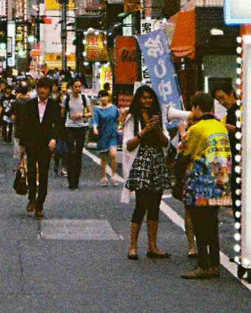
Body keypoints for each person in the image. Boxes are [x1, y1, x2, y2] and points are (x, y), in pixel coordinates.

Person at [178, 91, 231, 281]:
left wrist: (184, 131)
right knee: (212, 225)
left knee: (200, 225)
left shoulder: (197, 129)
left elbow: (183, 154)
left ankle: (203, 265)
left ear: (197, 108)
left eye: (192, 108)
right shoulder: (220, 126)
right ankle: (215, 265)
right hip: (219, 182)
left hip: (201, 183)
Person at [122, 85, 171, 260]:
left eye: (150, 97)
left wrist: (157, 129)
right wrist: (145, 130)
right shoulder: (132, 118)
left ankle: (153, 246)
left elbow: (166, 143)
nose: (147, 101)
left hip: (156, 162)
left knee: (155, 205)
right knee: (141, 204)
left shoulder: (158, 117)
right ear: (138, 99)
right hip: (141, 162)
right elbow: (128, 144)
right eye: (143, 97)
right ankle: (133, 246)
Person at [19, 77, 63, 218]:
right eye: (40, 87)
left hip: (46, 145)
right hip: (31, 143)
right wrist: (22, 144)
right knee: (31, 172)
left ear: (50, 90)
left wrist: (54, 139)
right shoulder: (29, 104)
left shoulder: (54, 106)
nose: (42, 90)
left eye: (45, 88)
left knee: (43, 175)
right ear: (36, 89)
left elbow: (59, 125)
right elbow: (23, 124)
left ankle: (40, 205)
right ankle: (32, 198)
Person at [213, 81, 239, 217]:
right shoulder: (229, 113)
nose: (221, 102)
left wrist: (234, 130)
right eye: (218, 100)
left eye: (222, 98)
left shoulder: (240, 111)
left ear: (231, 93)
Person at [63, 79, 91, 190]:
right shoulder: (67, 98)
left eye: (79, 86)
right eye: (76, 86)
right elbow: (62, 113)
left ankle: (76, 181)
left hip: (80, 127)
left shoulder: (84, 98)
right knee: (71, 152)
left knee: (78, 154)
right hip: (69, 126)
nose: (78, 89)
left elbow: (90, 113)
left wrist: (82, 115)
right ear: (72, 87)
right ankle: (70, 180)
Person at [92, 89, 121, 186]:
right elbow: (95, 120)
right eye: (102, 97)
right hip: (102, 135)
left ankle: (113, 176)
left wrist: (119, 127)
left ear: (108, 97)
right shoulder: (97, 109)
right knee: (104, 157)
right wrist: (95, 128)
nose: (104, 98)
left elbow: (118, 118)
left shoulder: (114, 108)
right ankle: (104, 177)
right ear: (99, 98)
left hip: (112, 134)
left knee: (113, 154)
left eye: (105, 96)